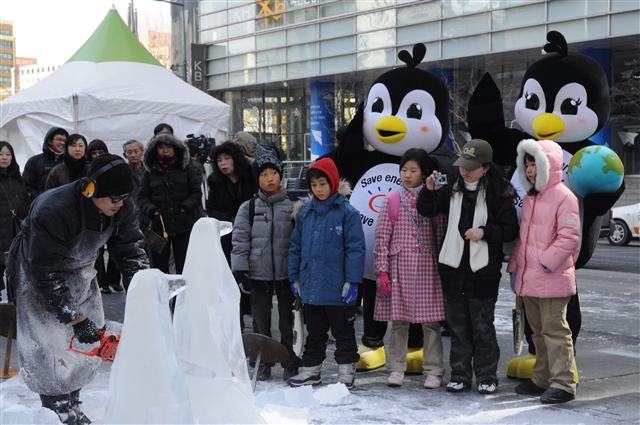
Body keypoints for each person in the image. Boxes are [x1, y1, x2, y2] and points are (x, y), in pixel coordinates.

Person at [6, 154, 149, 424]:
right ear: (91, 190)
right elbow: (44, 271)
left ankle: (72, 403)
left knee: (83, 347)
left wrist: (143, 291)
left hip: (81, 271)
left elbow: (130, 249)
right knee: (48, 348)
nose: (119, 204)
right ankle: (55, 410)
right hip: (38, 275)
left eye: (123, 198)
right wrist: (74, 316)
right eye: (114, 199)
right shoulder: (54, 209)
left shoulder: (122, 206)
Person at [417, 139, 518, 395]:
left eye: (471, 168)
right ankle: (460, 374)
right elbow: (427, 211)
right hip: (452, 268)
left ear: (485, 167)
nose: (465, 172)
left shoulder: (500, 191)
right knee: (458, 326)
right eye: (463, 166)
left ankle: (487, 374)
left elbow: (510, 230)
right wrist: (428, 191)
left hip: (483, 271)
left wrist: (483, 232)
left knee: (482, 325)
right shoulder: (450, 186)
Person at [508, 139, 580, 404]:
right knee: (537, 332)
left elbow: (569, 237)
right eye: (526, 165)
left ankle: (563, 382)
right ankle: (542, 378)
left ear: (547, 164)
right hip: (530, 278)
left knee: (555, 331)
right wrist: (517, 265)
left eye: (534, 164)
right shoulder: (531, 198)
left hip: (552, 278)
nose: (529, 170)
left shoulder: (564, 196)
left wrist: (544, 263)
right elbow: (524, 239)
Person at [287, 157, 365, 389]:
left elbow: (355, 248)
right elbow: (295, 247)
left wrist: (352, 281)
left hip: (338, 287)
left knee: (343, 332)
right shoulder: (305, 212)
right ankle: (311, 370)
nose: (319, 189)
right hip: (311, 286)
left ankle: (346, 370)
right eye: (314, 185)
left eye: (323, 183)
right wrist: (295, 277)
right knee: (315, 332)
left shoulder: (347, 212)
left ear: (332, 182)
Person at [373, 148, 446, 389]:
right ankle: (396, 367)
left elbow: (440, 234)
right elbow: (382, 237)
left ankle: (434, 369)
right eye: (403, 170)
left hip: (427, 266)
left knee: (432, 322)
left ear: (424, 172)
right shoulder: (392, 200)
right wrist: (382, 270)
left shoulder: (434, 197)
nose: (407, 175)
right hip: (399, 267)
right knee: (399, 321)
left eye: (412, 170)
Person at [231, 144, 300, 381]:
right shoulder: (248, 208)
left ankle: (290, 359)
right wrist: (240, 270)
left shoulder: (292, 206)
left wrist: (298, 272)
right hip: (257, 274)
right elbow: (239, 240)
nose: (269, 179)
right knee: (260, 321)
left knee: (287, 321)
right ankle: (262, 361)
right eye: (263, 174)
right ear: (257, 179)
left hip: (285, 275)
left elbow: (299, 242)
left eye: (273, 173)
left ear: (280, 174)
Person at [206, 142, 257, 328]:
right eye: (219, 160)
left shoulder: (251, 176)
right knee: (231, 275)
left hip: (252, 233)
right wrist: (230, 220)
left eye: (227, 158)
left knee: (251, 275)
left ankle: (253, 313)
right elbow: (211, 209)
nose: (223, 163)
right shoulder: (215, 181)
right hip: (228, 235)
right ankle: (237, 318)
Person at [137, 133, 202, 274]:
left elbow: (196, 192)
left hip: (184, 223)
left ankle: (182, 296)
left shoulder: (186, 168)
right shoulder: (150, 171)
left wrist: (185, 207)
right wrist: (152, 210)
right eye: (161, 147)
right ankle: (162, 295)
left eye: (169, 146)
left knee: (184, 264)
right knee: (158, 266)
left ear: (176, 148)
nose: (165, 150)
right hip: (158, 224)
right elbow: (142, 196)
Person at [86, 139, 122, 293]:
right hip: (95, 216)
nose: (97, 155)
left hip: (113, 214)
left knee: (116, 248)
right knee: (97, 252)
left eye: (100, 152)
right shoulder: (88, 170)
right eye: (94, 153)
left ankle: (114, 279)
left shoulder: (113, 169)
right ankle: (101, 282)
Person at [0, 141, 30, 302]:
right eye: (1, 154)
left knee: (17, 273)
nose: (4, 157)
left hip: (16, 233)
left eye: (8, 154)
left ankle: (16, 308)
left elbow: (25, 203)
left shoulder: (18, 178)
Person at [22, 127, 68, 197]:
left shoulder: (68, 162)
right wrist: (39, 199)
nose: (62, 143)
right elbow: (27, 185)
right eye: (59, 139)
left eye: (65, 141)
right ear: (50, 141)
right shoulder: (34, 161)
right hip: (41, 204)